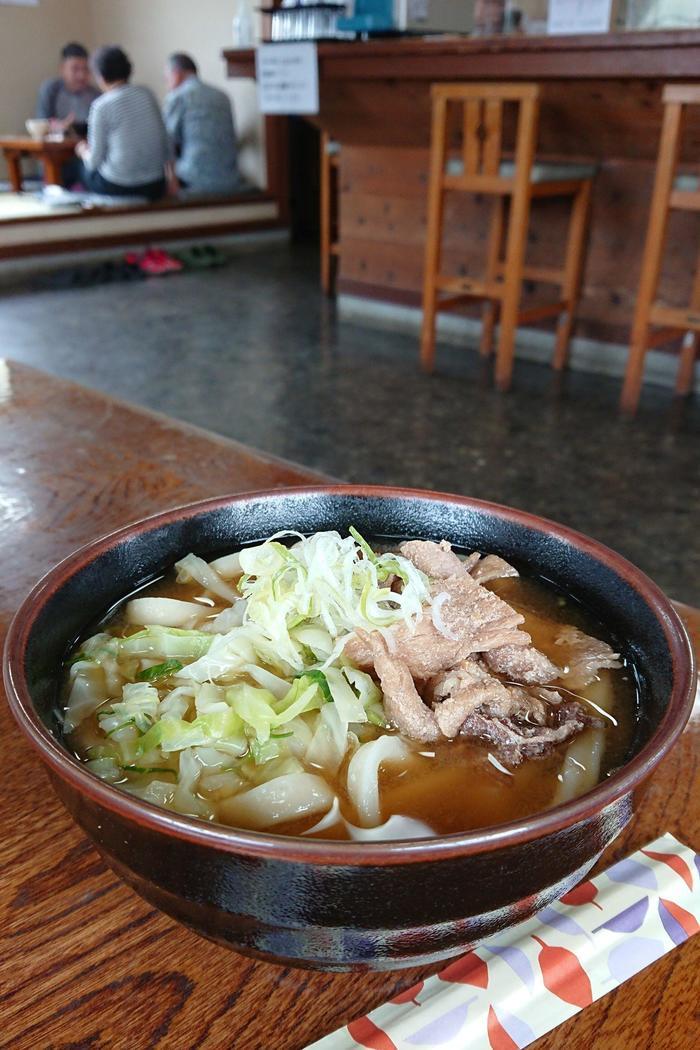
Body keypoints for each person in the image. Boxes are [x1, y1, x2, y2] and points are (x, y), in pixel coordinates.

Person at [75, 46, 168, 201]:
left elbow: (93, 162)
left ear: (101, 76)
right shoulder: (147, 94)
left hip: (119, 185)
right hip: (156, 184)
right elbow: (165, 140)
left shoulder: (101, 106)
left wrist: (83, 150)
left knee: (77, 168)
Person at [163, 53, 242, 197]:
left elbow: (166, 142)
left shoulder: (178, 97)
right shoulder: (222, 96)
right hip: (230, 179)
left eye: (166, 79)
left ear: (176, 75)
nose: (167, 85)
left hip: (195, 180)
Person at [36, 42, 100, 135]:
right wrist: (59, 127)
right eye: (75, 69)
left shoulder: (96, 96)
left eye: (86, 69)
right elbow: (41, 125)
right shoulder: (51, 90)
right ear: (62, 69)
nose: (81, 75)